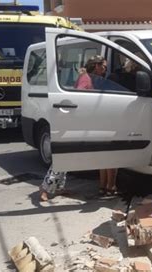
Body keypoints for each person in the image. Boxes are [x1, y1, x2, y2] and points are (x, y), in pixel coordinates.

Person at [39, 56, 118, 201]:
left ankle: (58, 188)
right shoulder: (86, 78)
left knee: (69, 158)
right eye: (103, 66)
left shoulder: (89, 77)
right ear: (96, 66)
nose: (105, 69)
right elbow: (80, 96)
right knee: (64, 157)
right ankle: (45, 188)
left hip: (81, 123)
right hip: (77, 124)